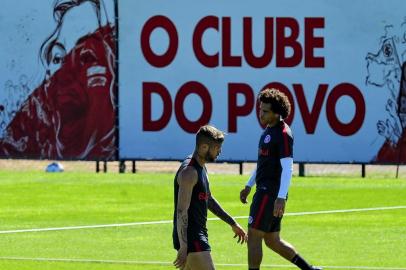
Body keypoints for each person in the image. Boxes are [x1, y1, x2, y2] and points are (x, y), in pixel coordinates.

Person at [239, 88, 322, 270]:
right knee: (272, 240)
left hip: (269, 194)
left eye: (265, 111)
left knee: (254, 235)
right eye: (260, 110)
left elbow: (288, 168)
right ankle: (309, 269)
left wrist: (281, 197)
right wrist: (248, 185)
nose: (261, 114)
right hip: (266, 192)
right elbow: (263, 163)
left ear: (277, 113)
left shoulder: (283, 134)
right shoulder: (269, 130)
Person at [173, 125, 247, 270]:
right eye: (217, 148)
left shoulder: (201, 166)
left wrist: (232, 223)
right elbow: (182, 211)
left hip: (196, 235)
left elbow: (209, 199)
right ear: (204, 147)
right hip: (191, 238)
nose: (220, 151)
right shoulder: (190, 173)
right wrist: (184, 246)